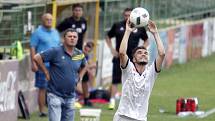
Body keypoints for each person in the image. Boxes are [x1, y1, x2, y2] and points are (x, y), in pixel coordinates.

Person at [113, 20, 165, 121]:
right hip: (123, 116)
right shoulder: (128, 69)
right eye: (139, 53)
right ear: (134, 59)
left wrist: (155, 33)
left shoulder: (151, 73)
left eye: (145, 53)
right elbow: (122, 53)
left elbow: (162, 54)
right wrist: (128, 31)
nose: (143, 54)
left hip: (140, 118)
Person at [33, 29, 87, 121]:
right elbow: (37, 57)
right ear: (64, 38)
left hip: (71, 96)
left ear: (77, 39)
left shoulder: (79, 54)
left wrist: (80, 77)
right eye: (69, 36)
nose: (72, 38)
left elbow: (85, 65)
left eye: (74, 37)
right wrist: (46, 72)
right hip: (55, 95)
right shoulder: (56, 51)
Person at [106, 8, 149, 109]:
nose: (127, 17)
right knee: (115, 80)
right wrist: (112, 50)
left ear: (133, 16)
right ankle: (112, 101)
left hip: (134, 60)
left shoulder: (140, 27)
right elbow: (108, 36)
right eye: (126, 15)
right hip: (120, 57)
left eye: (129, 15)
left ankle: (132, 100)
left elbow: (147, 40)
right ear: (123, 15)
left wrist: (141, 50)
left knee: (133, 80)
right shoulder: (118, 25)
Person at [30, 13, 60, 117]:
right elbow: (33, 48)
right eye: (47, 20)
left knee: (55, 89)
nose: (49, 21)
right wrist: (33, 63)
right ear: (42, 20)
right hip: (42, 65)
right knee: (42, 88)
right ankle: (42, 111)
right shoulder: (37, 33)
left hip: (55, 65)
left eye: (51, 20)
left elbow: (59, 47)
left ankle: (54, 109)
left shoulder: (55, 32)